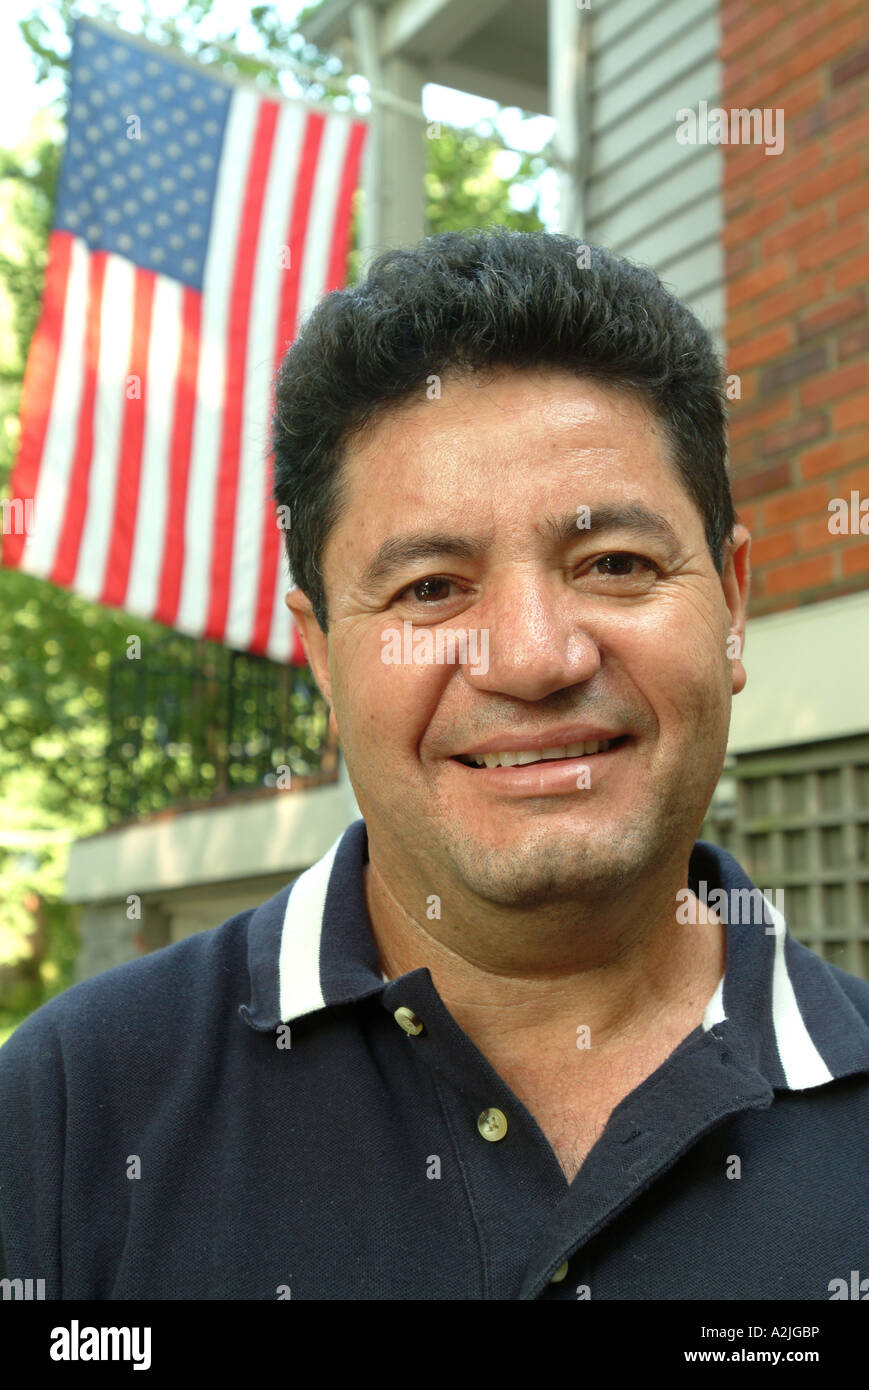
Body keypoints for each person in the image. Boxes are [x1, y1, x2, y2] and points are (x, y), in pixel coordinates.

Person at [1, 229, 867, 1301]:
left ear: (730, 605)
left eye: (613, 564)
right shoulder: (67, 1113)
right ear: (321, 651)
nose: (536, 657)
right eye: (428, 588)